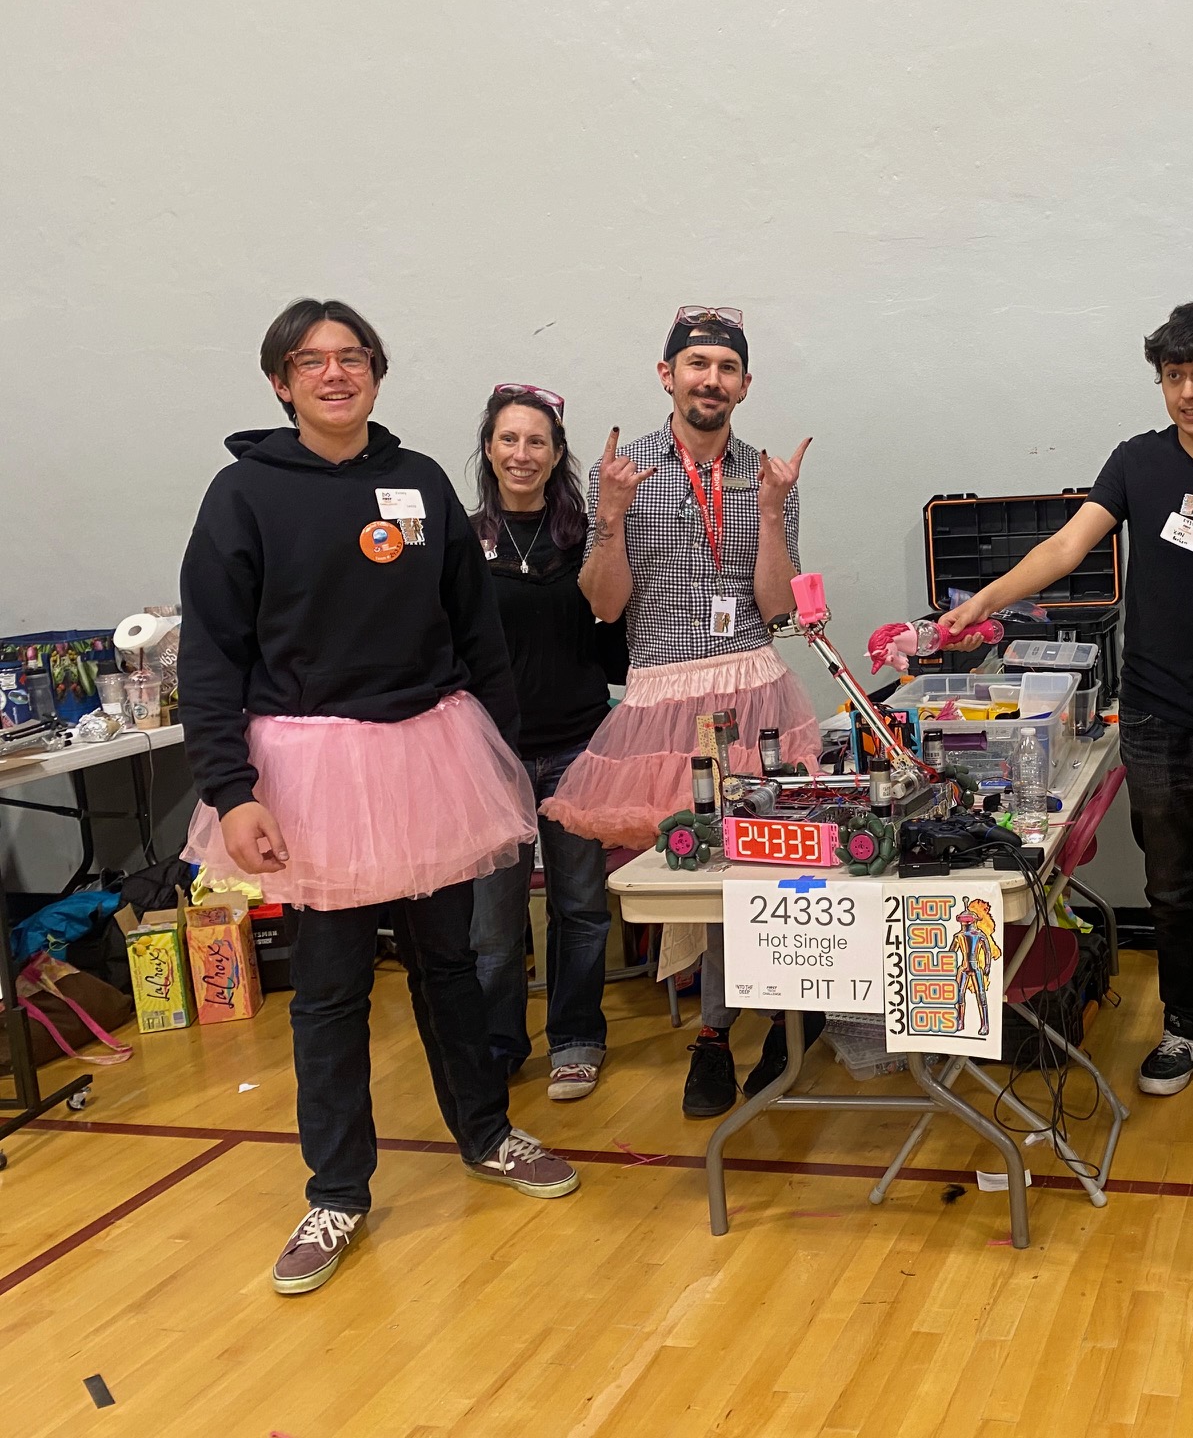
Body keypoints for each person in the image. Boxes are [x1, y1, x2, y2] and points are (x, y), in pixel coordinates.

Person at [179, 300, 580, 1298]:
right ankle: (338, 1193)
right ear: (281, 382)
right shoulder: (242, 495)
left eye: (349, 356)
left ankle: (485, 1133)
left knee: (452, 967)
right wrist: (232, 792)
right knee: (329, 992)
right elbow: (210, 656)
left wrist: (494, 753)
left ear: (375, 371)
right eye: (310, 361)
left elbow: (474, 630)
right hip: (308, 774)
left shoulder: (421, 482)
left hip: (428, 758)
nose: (332, 374)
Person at [944, 300, 1193, 1119]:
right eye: (1174, 376)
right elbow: (1069, 546)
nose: (1188, 392)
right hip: (1157, 714)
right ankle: (1187, 1024)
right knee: (1171, 887)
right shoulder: (1138, 462)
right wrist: (983, 603)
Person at [542, 307, 825, 1118]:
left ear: (744, 384)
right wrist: (611, 516)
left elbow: (775, 609)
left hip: (755, 685)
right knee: (701, 879)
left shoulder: (766, 473)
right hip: (666, 694)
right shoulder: (622, 471)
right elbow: (602, 607)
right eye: (696, 364)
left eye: (727, 368)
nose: (712, 379)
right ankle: (711, 1037)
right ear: (666, 374)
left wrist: (773, 510)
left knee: (770, 863)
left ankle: (785, 1020)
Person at [466, 384, 628, 1102]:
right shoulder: (462, 543)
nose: (522, 454)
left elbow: (616, 642)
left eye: (536, 441)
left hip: (577, 749)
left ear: (557, 453)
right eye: (508, 440)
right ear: (490, 450)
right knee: (495, 925)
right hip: (490, 755)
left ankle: (576, 1037)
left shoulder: (586, 541)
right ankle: (499, 1043)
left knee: (581, 907)